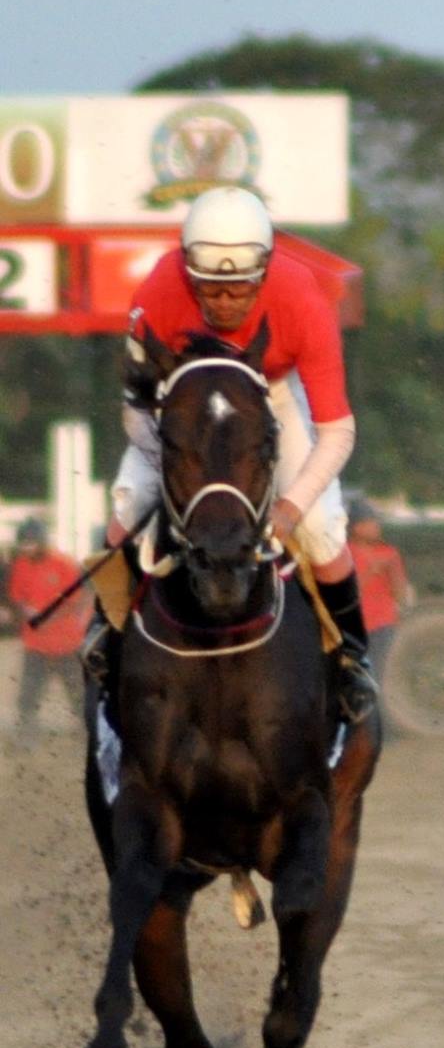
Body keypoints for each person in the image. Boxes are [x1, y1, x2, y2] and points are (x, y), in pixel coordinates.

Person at [88, 186, 378, 722]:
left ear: (263, 271)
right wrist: (177, 469)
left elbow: (337, 431)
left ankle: (353, 660)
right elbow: (135, 412)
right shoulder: (156, 293)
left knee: (320, 529)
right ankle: (104, 637)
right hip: (182, 404)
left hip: (270, 395)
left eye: (239, 288)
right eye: (210, 288)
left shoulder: (304, 299)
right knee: (128, 510)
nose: (224, 302)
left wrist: (289, 508)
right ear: (188, 272)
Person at [5, 519, 88, 740]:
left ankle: (89, 734)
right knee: (28, 695)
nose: (26, 548)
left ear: (42, 541)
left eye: (30, 543)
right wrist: (25, 611)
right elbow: (16, 596)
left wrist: (50, 617)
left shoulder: (63, 563)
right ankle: (27, 736)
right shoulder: (21, 564)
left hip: (67, 643)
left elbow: (76, 600)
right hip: (35, 644)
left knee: (78, 693)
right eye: (23, 544)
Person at [346, 496, 412, 684]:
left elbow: (400, 595)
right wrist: (372, 570)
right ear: (357, 527)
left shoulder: (388, 552)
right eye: (371, 523)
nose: (377, 527)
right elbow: (347, 591)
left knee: (378, 676)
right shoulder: (345, 553)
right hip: (354, 625)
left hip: (383, 625)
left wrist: (395, 575)